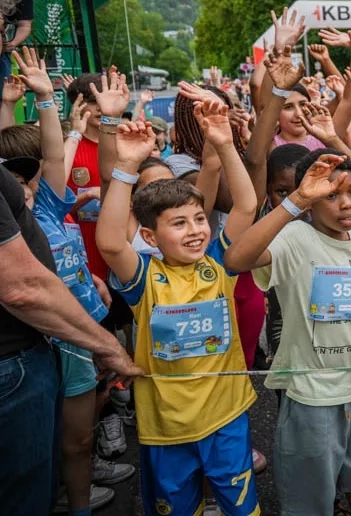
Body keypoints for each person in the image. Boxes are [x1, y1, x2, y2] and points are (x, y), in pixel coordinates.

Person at [0, 0, 139, 516]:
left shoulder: (46, 201)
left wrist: (47, 101)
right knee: (61, 439)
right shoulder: (32, 205)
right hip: (47, 338)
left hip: (80, 322)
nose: (25, 184)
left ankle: (81, 475)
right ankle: (75, 496)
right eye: (13, 173)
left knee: (82, 418)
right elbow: (21, 286)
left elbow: (51, 160)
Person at [97, 108, 260, 516]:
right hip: (167, 427)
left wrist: (224, 142)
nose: (195, 231)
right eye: (179, 224)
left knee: (243, 509)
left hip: (226, 418)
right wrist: (127, 166)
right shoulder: (144, 279)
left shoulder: (219, 262)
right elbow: (111, 243)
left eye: (200, 219)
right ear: (150, 236)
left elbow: (246, 205)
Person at [224, 150, 351, 516]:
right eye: (331, 195)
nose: (346, 204)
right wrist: (297, 201)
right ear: (310, 199)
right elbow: (235, 260)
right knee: (312, 495)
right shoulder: (295, 237)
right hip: (312, 392)